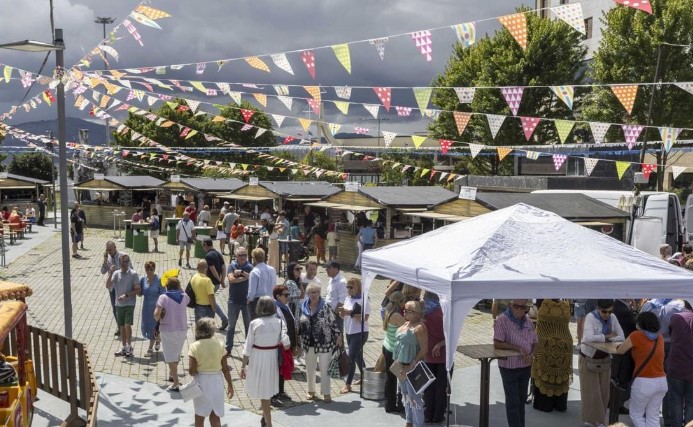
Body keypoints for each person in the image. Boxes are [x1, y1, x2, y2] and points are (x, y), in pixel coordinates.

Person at [241, 296, 290, 427]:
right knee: (266, 391)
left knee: (264, 393)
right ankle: (264, 419)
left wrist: (242, 367)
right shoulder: (279, 322)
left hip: (257, 358)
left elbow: (248, 346)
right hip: (272, 358)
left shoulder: (254, 323)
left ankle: (269, 423)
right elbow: (286, 344)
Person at [614, 311, 667, 427]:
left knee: (636, 414)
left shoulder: (636, 336)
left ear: (641, 324)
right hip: (662, 381)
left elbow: (620, 350)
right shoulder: (660, 337)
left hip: (644, 382)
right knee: (653, 416)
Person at [580, 299, 625, 427]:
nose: (606, 314)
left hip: (605, 358)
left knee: (604, 393)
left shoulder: (613, 317)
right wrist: (607, 336)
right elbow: (588, 337)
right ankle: (591, 420)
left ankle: (599, 420)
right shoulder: (590, 317)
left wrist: (605, 337)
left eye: (609, 312)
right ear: (598, 308)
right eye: (604, 311)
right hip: (589, 357)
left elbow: (622, 336)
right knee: (592, 392)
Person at [492, 299, 537, 427]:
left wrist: (532, 355)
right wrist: (516, 348)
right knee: (513, 402)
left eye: (522, 307)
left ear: (526, 308)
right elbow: (497, 343)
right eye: (516, 306)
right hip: (509, 367)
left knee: (521, 401)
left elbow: (535, 342)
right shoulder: (502, 319)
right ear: (510, 306)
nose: (519, 309)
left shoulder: (528, 321)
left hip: (525, 367)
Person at [641, 298, 685, 426]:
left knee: (649, 381)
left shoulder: (648, 306)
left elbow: (639, 326)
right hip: (671, 346)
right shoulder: (679, 307)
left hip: (650, 346)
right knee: (669, 386)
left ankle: (645, 418)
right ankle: (669, 420)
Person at [299, 283, 342, 402]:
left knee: (324, 368)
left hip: (324, 343)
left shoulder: (325, 307)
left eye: (316, 292)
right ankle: (311, 391)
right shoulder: (302, 306)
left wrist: (338, 335)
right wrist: (297, 339)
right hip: (308, 343)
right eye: (311, 292)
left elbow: (333, 322)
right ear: (307, 294)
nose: (314, 294)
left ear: (319, 293)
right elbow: (299, 323)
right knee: (310, 368)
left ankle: (326, 393)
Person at [188, 318, 234, 427]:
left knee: (199, 416)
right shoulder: (220, 344)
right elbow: (225, 369)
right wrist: (230, 385)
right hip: (217, 381)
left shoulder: (194, 346)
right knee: (215, 416)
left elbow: (191, 371)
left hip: (201, 382)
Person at [531, 299, 572, 413]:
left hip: (545, 343)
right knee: (560, 373)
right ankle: (560, 404)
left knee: (544, 372)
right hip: (564, 343)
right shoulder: (566, 304)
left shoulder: (542, 300)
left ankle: (545, 404)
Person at [393, 300, 429, 427]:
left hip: (411, 367)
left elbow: (424, 349)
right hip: (400, 366)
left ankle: (418, 424)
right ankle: (409, 421)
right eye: (404, 309)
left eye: (408, 310)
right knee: (405, 394)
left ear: (416, 313)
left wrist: (411, 364)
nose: (404, 311)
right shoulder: (406, 324)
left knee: (415, 397)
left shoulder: (419, 327)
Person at [154, 277, 190, 392]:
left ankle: (175, 382)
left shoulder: (163, 297)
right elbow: (187, 298)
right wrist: (180, 287)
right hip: (182, 329)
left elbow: (156, 314)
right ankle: (173, 377)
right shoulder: (184, 297)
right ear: (178, 286)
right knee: (176, 354)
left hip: (167, 329)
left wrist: (157, 318)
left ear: (167, 286)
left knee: (170, 356)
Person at [339, 277, 370, 394]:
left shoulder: (364, 299)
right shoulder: (348, 298)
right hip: (349, 331)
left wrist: (349, 313)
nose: (349, 289)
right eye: (347, 287)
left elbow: (365, 318)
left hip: (360, 332)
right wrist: (343, 313)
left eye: (351, 287)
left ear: (358, 287)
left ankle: (348, 384)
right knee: (358, 356)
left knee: (350, 358)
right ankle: (365, 377)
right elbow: (346, 315)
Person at [106, 253, 140, 358]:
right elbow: (108, 286)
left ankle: (129, 346)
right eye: (122, 262)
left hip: (129, 303)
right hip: (118, 304)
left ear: (128, 262)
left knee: (127, 325)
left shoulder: (134, 274)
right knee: (121, 326)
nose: (124, 264)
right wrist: (110, 273)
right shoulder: (116, 274)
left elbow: (138, 290)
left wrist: (126, 295)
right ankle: (124, 347)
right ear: (119, 263)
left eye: (126, 262)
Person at [666, 299, 693, 427]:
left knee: (675, 401)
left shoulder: (676, 317)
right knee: (691, 403)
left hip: (676, 366)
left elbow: (671, 335)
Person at [272, 285, 299, 407]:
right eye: (286, 295)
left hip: (287, 344)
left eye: (288, 294)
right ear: (278, 296)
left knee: (282, 370)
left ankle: (281, 391)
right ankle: (273, 396)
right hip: (278, 345)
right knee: (276, 370)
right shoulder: (274, 308)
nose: (288, 297)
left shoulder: (286, 307)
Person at [423, 292, 447, 423]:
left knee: (428, 387)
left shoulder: (423, 313)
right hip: (443, 355)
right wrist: (440, 344)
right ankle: (438, 415)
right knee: (441, 388)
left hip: (428, 354)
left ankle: (427, 414)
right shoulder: (444, 313)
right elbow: (451, 336)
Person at [225, 247, 253, 354]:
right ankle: (228, 349)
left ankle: (248, 350)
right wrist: (245, 277)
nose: (243, 257)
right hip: (233, 301)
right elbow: (231, 280)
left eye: (245, 255)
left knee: (248, 326)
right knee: (231, 326)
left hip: (246, 301)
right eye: (240, 255)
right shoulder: (231, 266)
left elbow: (253, 277)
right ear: (236, 256)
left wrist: (241, 272)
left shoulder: (250, 267)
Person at [101, 241, 132, 337]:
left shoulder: (123, 256)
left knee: (123, 307)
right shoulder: (108, 258)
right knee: (115, 308)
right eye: (107, 250)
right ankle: (119, 326)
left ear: (115, 247)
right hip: (112, 287)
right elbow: (102, 271)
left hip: (122, 286)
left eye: (110, 249)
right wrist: (105, 260)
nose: (109, 252)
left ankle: (124, 327)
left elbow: (131, 269)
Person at [382, 291, 405, 413]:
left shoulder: (389, 309)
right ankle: (397, 405)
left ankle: (389, 405)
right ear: (400, 301)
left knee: (390, 378)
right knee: (399, 378)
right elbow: (408, 326)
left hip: (387, 347)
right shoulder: (396, 315)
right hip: (393, 352)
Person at [139, 261, 165, 357]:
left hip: (156, 307)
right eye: (147, 269)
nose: (149, 271)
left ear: (154, 269)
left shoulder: (159, 280)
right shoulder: (143, 280)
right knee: (148, 326)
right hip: (146, 308)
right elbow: (140, 293)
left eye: (151, 269)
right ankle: (158, 339)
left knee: (154, 327)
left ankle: (150, 348)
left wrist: (162, 309)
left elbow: (163, 295)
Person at [203, 237, 229, 331]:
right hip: (216, 283)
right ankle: (212, 321)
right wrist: (222, 279)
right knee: (211, 301)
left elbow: (212, 269)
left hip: (212, 283)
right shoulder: (218, 254)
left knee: (211, 302)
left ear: (205, 244)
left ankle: (222, 319)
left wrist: (219, 280)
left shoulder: (208, 256)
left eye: (203, 246)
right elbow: (223, 268)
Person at [247, 248, 277, 320]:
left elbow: (252, 291)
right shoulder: (272, 269)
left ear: (254, 258)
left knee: (257, 323)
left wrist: (248, 300)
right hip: (270, 299)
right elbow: (274, 285)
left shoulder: (254, 272)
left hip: (258, 301)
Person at [325, 260, 347, 337]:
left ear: (336, 269)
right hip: (329, 312)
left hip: (336, 314)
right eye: (326, 267)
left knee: (338, 336)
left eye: (329, 268)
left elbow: (342, 300)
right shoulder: (332, 279)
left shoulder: (341, 282)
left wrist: (334, 313)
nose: (326, 270)